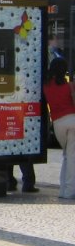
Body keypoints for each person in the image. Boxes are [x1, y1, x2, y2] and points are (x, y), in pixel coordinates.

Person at [43, 58, 75, 199]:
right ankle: (69, 191)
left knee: (67, 156)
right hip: (72, 120)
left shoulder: (46, 86)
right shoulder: (70, 86)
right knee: (72, 157)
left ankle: (63, 189)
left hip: (57, 123)